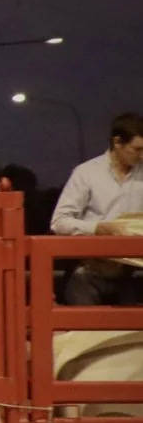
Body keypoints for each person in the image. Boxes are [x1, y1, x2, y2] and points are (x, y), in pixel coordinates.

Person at [52, 114, 143, 305]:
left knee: (130, 334)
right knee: (84, 332)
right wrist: (97, 228)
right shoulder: (86, 173)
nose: (142, 155)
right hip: (87, 271)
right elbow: (59, 221)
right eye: (137, 149)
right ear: (117, 142)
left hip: (130, 273)